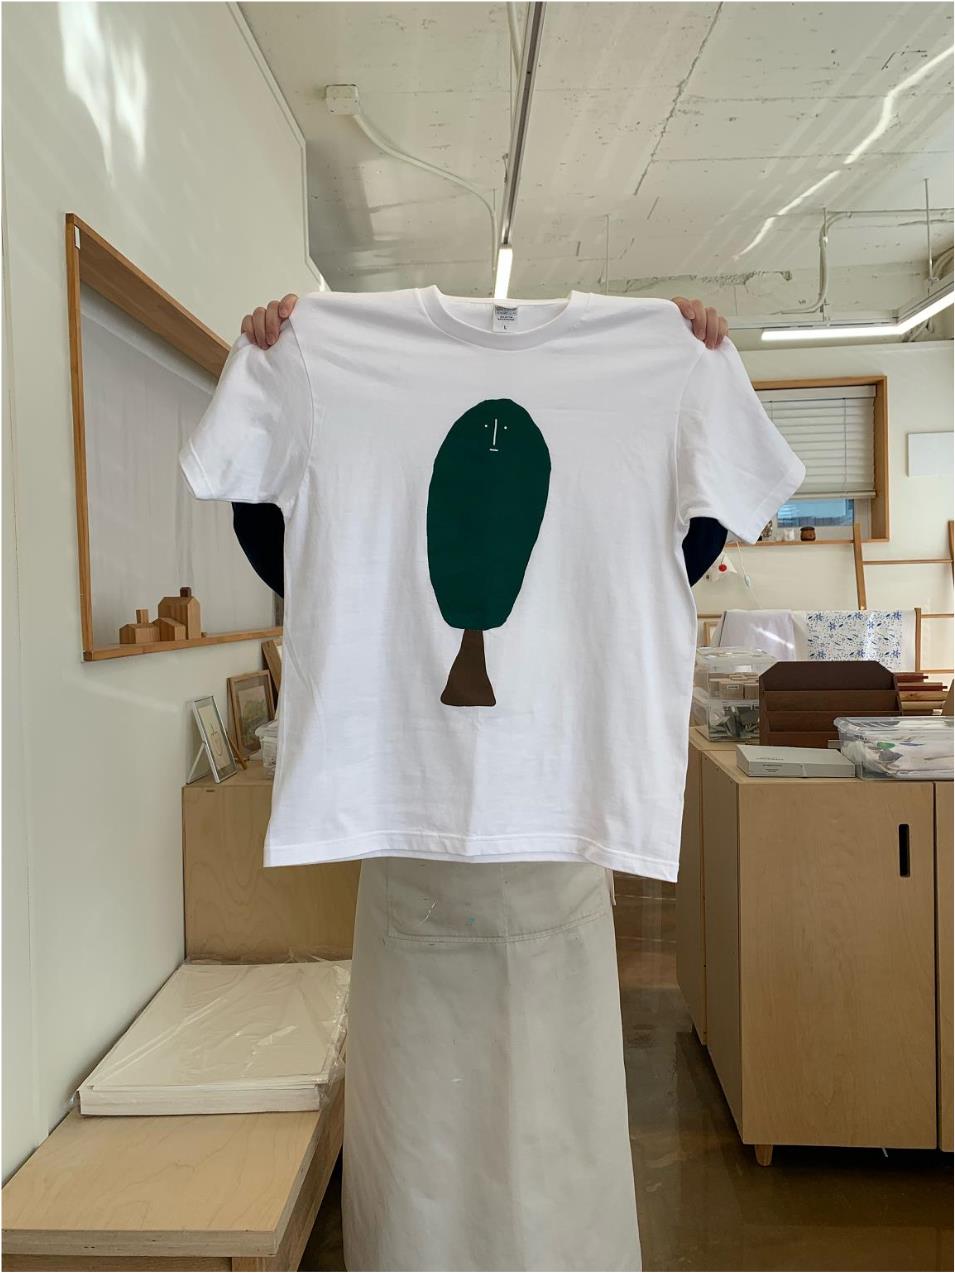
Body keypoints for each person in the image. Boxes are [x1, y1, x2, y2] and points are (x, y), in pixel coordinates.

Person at [230, 289, 731, 1273]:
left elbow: (686, 540)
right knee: (492, 1155)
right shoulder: (338, 367)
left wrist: (691, 364)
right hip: (436, 859)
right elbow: (296, 550)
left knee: (509, 1150)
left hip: (540, 852)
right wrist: (277, 364)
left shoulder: (645, 372)